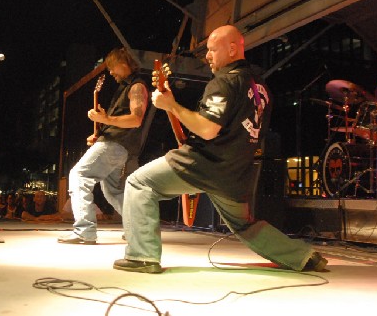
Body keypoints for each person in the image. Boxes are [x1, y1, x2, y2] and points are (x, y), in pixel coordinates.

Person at [113, 25, 328, 273]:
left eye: (213, 50)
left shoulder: (225, 82)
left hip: (204, 163)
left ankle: (143, 257)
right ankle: (303, 257)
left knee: (139, 183)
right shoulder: (261, 88)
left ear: (233, 48)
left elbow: (207, 129)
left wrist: (171, 105)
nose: (207, 56)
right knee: (245, 225)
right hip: (236, 171)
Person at [58, 47, 149, 245]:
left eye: (112, 67)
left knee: (79, 175)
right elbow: (121, 121)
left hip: (116, 145)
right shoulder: (127, 87)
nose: (111, 72)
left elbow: (135, 120)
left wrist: (106, 118)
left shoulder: (136, 87)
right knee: (113, 191)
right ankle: (139, 230)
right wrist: (100, 132)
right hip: (116, 145)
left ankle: (85, 231)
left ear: (123, 64)